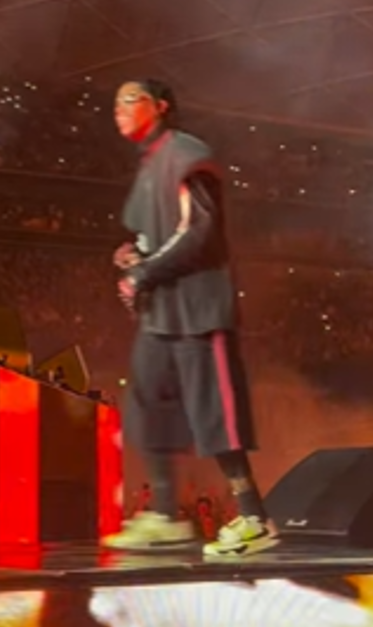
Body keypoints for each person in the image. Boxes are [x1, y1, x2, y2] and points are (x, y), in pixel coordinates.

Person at [101, 79, 277, 557]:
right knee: (148, 404)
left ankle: (254, 518)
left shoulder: (186, 153)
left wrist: (145, 272)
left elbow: (196, 230)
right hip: (162, 315)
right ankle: (164, 514)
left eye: (129, 98)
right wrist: (133, 256)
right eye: (115, 101)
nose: (118, 108)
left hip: (199, 310)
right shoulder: (149, 165)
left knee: (215, 416)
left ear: (159, 106)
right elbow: (151, 236)